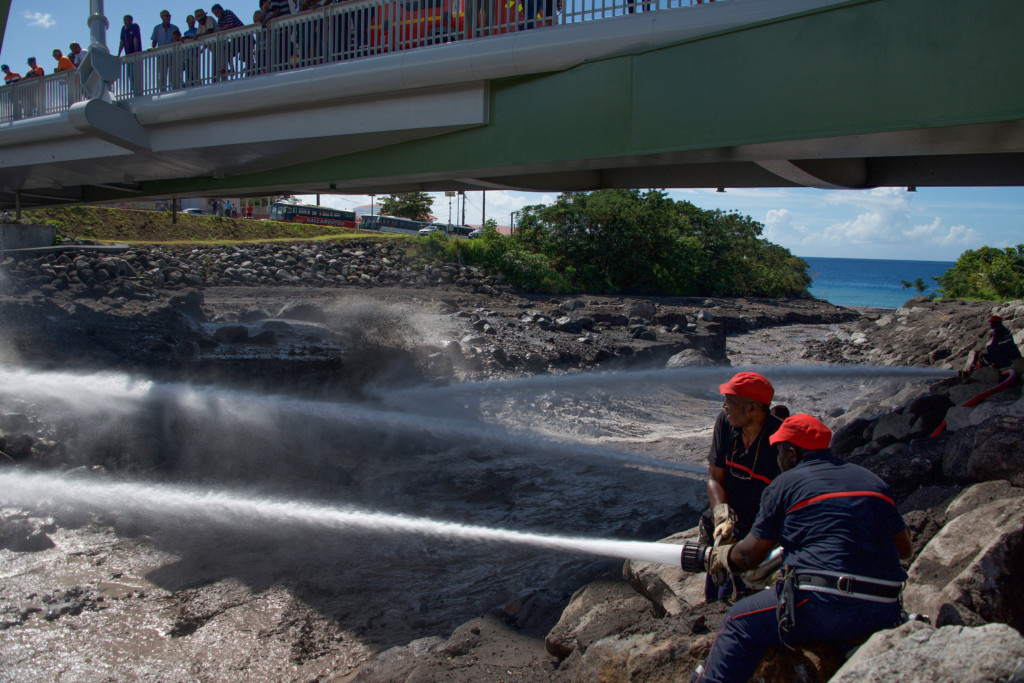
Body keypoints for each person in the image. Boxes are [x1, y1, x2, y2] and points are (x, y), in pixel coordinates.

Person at [692, 414, 912, 683]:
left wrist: (719, 557)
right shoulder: (872, 481)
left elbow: (750, 555)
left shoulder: (785, 484)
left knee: (738, 622)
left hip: (821, 602)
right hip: (884, 608)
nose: (778, 459)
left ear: (792, 453)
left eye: (780, 451)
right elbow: (904, 549)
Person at [701, 371, 782, 602]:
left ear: (754, 409)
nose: (725, 407)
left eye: (731, 402)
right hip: (729, 527)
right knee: (717, 596)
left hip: (763, 536)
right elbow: (715, 476)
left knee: (746, 593)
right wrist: (721, 515)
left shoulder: (781, 443)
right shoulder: (726, 424)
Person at [152, 10, 181, 91]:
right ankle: (161, 90)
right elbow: (154, 41)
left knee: (173, 73)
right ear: (162, 17)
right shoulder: (157, 28)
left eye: (169, 16)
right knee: (161, 74)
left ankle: (174, 89)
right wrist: (151, 48)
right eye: (166, 16)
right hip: (161, 55)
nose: (168, 17)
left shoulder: (175, 28)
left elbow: (179, 39)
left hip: (172, 54)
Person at [119, 15, 143, 95]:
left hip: (135, 55)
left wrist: (136, 52)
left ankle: (138, 91)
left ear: (131, 20)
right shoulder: (123, 29)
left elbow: (135, 39)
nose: (125, 22)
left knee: (136, 73)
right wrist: (118, 54)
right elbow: (122, 42)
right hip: (128, 56)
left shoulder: (135, 27)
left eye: (127, 20)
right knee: (130, 74)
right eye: (124, 20)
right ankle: (134, 90)